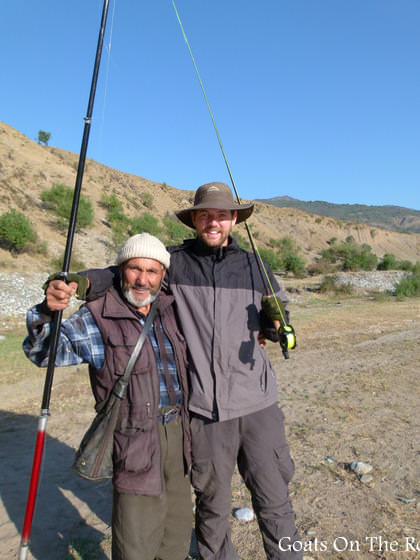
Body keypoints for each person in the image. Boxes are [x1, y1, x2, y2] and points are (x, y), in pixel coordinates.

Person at [47, 182, 302, 559]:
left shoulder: (255, 265)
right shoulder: (174, 262)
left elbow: (278, 318)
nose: (213, 221)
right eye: (204, 214)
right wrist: (80, 283)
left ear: (234, 219)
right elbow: (126, 272)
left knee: (276, 502)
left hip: (258, 405)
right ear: (194, 220)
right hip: (203, 412)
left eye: (221, 214)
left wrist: (274, 327)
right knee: (213, 509)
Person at [23, 233, 192, 560]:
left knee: (176, 534)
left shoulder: (172, 311)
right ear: (119, 270)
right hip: (134, 440)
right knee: (135, 542)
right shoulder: (99, 316)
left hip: (180, 436)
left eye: (152, 271)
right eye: (134, 269)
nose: (143, 279)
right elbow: (44, 353)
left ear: (162, 276)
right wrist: (47, 311)